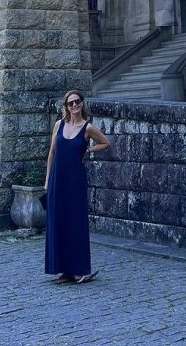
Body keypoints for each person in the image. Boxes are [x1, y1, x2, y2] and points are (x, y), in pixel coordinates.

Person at [44, 90, 110, 285]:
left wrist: (88, 149)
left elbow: (106, 142)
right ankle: (64, 270)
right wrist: (47, 179)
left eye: (77, 102)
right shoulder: (59, 125)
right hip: (58, 179)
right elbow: (52, 153)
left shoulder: (87, 128)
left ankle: (80, 270)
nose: (74, 106)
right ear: (66, 106)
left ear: (82, 103)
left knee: (76, 223)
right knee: (59, 222)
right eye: (70, 103)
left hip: (76, 181)